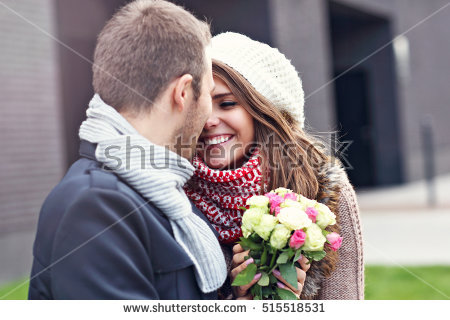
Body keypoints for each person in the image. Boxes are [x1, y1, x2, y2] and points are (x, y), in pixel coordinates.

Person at [28, 0, 226, 299]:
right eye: (210, 94)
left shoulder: (159, 187)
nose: (210, 117)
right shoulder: (95, 206)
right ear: (183, 92)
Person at [185, 32, 364, 299]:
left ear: (263, 110)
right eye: (198, 105)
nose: (208, 120)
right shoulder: (175, 195)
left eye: (227, 103)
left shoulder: (325, 189)